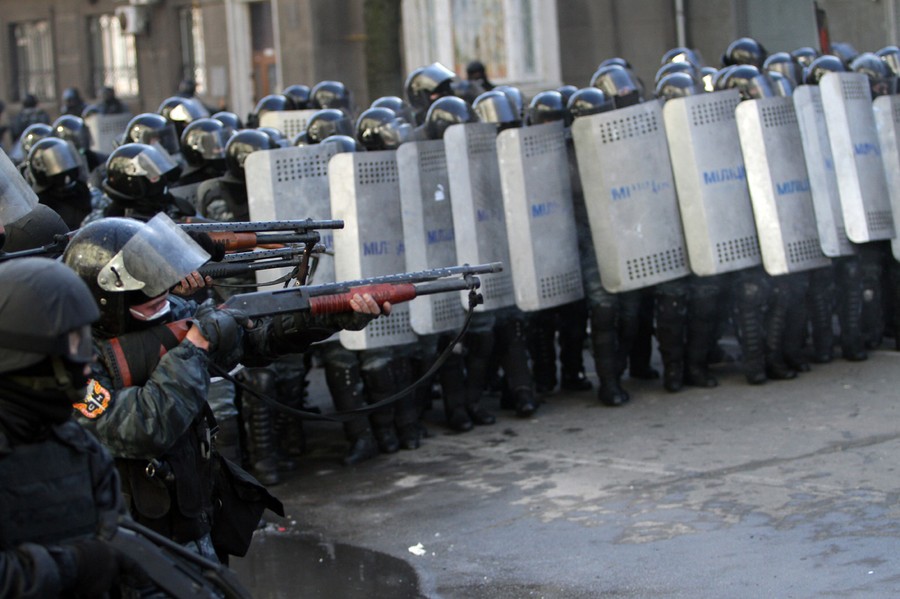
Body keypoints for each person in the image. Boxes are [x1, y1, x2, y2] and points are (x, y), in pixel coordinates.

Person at [63, 213, 390, 562]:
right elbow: (144, 427)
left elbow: (256, 339)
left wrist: (331, 314)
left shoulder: (170, 313)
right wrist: (195, 347)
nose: (162, 290)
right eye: (146, 285)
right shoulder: (72, 364)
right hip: (130, 548)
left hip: (193, 521)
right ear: (107, 298)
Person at [0, 257, 128, 598]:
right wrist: (73, 565)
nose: (87, 358)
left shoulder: (77, 445)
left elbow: (120, 542)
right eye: (74, 342)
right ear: (31, 354)